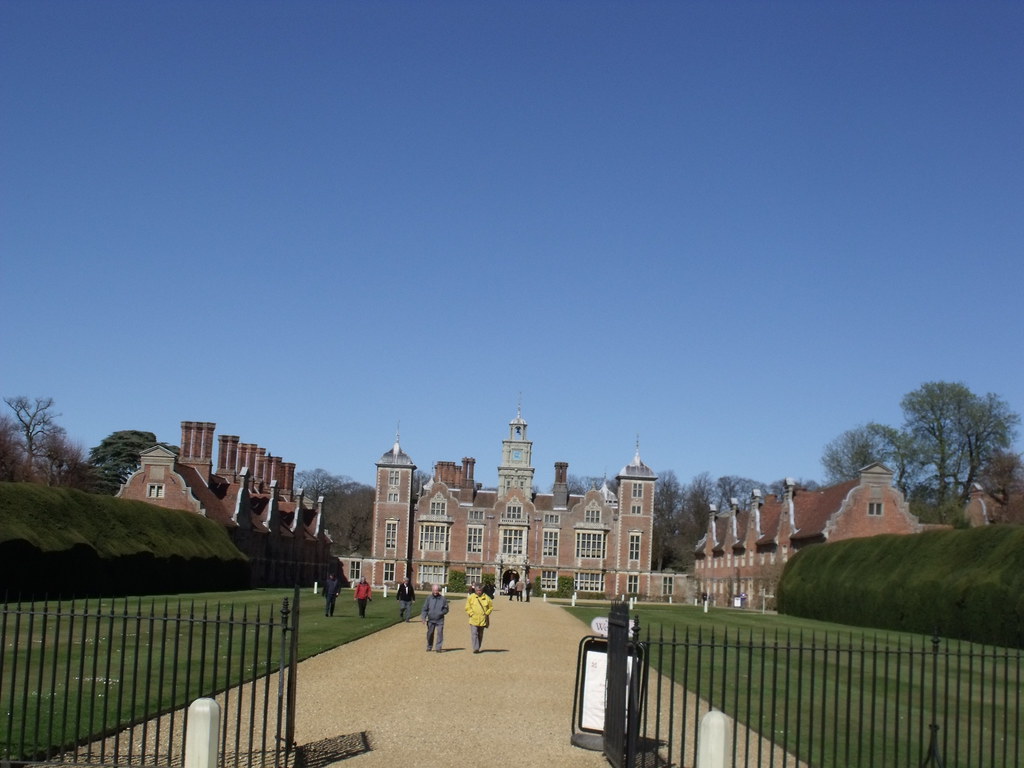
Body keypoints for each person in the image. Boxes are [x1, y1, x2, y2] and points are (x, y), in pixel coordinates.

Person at [420, 583, 449, 652]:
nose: (435, 592)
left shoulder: (443, 599)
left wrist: (441, 612)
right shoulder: (429, 598)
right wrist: (423, 617)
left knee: (440, 633)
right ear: (432, 590)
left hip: (440, 620)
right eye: (434, 590)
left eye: (436, 590)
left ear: (438, 590)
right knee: (430, 633)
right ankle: (429, 646)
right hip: (431, 619)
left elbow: (446, 609)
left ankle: (438, 647)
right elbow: (425, 608)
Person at [465, 583, 494, 653]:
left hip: (482, 619)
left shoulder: (486, 598)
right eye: (477, 590)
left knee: (480, 634)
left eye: (480, 590)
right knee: (474, 633)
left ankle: (478, 646)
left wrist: (487, 613)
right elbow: (467, 607)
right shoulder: (471, 597)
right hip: (473, 619)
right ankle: (476, 648)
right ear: (475, 590)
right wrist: (471, 613)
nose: (479, 592)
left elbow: (491, 607)